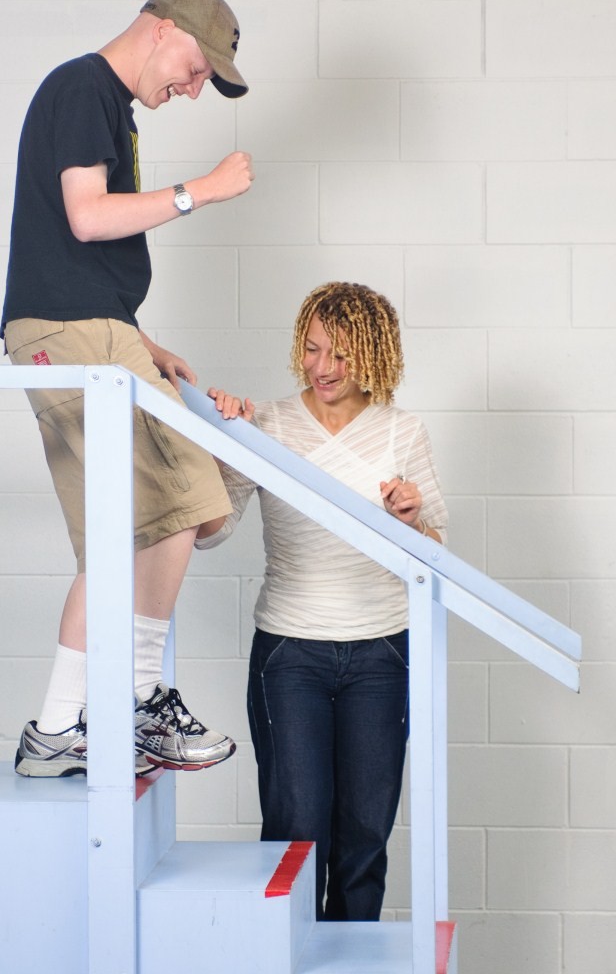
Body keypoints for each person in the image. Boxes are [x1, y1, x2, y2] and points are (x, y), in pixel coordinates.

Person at [0, 0, 254, 778]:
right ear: (162, 27)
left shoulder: (109, 106)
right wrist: (201, 191)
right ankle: (140, 701)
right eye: (196, 66)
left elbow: (68, 253)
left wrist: (142, 340)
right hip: (72, 334)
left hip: (87, 328)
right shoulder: (84, 87)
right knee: (180, 497)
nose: (193, 87)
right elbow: (85, 215)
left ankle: (54, 730)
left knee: (127, 528)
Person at [197, 281, 448, 920]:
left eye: (340, 355)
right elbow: (209, 534)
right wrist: (224, 442)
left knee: (365, 838)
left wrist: (411, 519)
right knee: (295, 833)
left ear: (373, 354)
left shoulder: (402, 430)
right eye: (311, 351)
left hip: (382, 654)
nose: (322, 368)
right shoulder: (272, 423)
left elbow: (434, 552)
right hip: (290, 654)